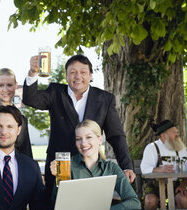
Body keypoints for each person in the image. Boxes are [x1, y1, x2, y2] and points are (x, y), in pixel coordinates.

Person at [23, 54, 135, 197]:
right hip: (58, 165)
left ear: (91, 75)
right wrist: (32, 73)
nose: (78, 76)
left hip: (89, 166)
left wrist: (126, 166)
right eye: (73, 72)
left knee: (90, 207)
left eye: (83, 72)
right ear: (66, 75)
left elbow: (116, 136)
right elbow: (30, 99)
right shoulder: (55, 92)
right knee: (57, 209)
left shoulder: (104, 99)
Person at [50, 120, 140, 210]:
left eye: (88, 137)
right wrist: (59, 179)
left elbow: (134, 203)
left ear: (100, 140)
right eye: (78, 139)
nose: (83, 143)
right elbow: (57, 205)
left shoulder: (111, 168)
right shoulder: (66, 166)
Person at [140, 120, 187, 210]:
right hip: (154, 185)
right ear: (163, 136)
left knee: (183, 200)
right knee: (150, 201)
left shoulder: (181, 148)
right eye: (173, 132)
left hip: (175, 185)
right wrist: (158, 170)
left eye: (177, 132)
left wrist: (183, 185)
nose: (177, 134)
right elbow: (144, 169)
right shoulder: (152, 148)